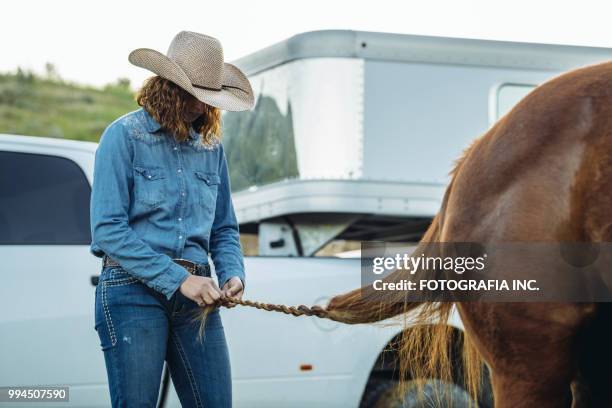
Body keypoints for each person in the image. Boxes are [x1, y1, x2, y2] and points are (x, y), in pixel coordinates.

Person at [90, 31, 254, 407]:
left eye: (208, 98)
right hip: (131, 291)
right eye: (192, 94)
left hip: (197, 300)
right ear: (167, 87)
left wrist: (232, 273)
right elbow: (108, 230)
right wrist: (180, 280)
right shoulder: (123, 137)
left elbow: (224, 227)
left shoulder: (211, 149)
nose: (200, 106)